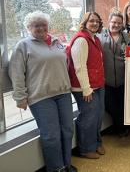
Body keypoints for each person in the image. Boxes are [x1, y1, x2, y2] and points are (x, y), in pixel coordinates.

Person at [9, 11, 77, 172]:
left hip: (63, 93)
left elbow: (65, 64)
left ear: (48, 26)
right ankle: (56, 168)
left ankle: (66, 164)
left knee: (67, 130)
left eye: (43, 25)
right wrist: (20, 97)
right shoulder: (23, 45)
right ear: (28, 28)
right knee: (51, 135)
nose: (40, 28)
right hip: (41, 97)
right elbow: (16, 72)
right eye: (36, 25)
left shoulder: (57, 42)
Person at [67, 12, 105, 159]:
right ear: (85, 22)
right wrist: (86, 89)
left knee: (98, 115)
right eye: (91, 21)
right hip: (85, 87)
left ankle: (95, 143)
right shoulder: (81, 40)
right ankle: (85, 148)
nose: (95, 23)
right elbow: (79, 67)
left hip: (97, 84)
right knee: (88, 117)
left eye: (97, 21)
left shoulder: (95, 39)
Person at [97, 8, 130, 137]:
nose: (116, 25)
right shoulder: (100, 37)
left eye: (119, 23)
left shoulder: (127, 37)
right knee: (111, 107)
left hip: (124, 79)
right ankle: (121, 127)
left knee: (124, 105)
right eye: (113, 22)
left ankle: (124, 128)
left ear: (122, 24)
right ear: (109, 22)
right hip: (106, 80)